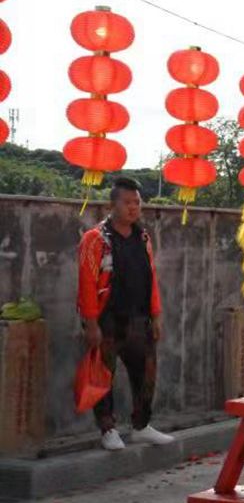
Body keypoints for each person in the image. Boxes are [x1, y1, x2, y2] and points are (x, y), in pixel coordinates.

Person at [77, 178, 173, 451]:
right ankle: (108, 429)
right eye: (127, 202)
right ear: (112, 204)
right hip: (107, 318)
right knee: (102, 375)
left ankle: (142, 425)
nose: (133, 208)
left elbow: (151, 277)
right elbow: (86, 282)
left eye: (137, 202)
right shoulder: (95, 239)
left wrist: (156, 315)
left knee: (146, 373)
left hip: (140, 318)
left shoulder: (143, 237)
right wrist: (91, 323)